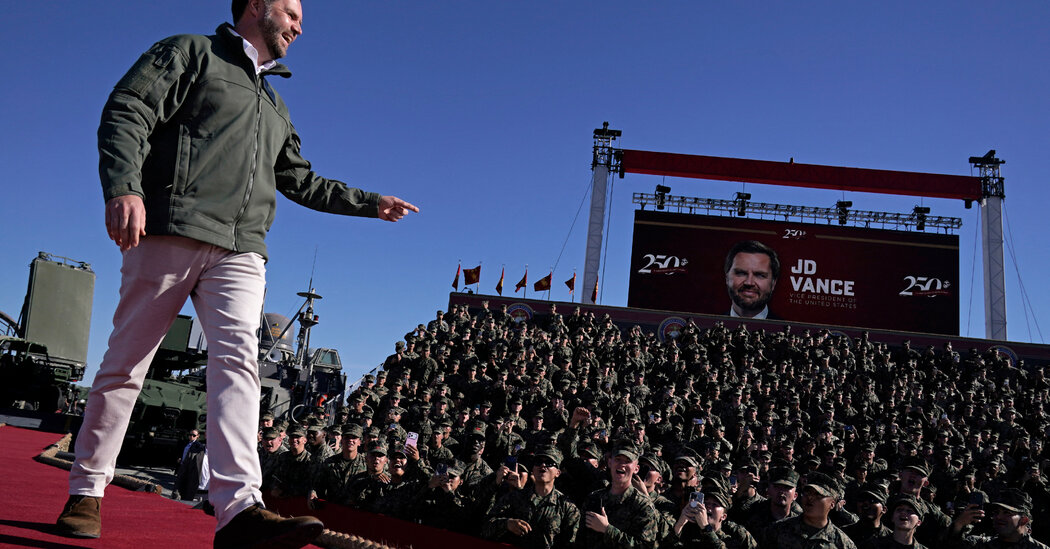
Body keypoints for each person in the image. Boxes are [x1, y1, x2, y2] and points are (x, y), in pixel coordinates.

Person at [55, 0, 418, 546]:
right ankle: (86, 490)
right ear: (256, 7)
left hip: (243, 250)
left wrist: (369, 203)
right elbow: (129, 109)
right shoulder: (190, 53)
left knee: (239, 368)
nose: (300, 25)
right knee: (127, 362)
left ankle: (239, 509)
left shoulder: (276, 106)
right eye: (292, 11)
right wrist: (124, 186)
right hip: (172, 227)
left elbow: (303, 181)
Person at [483, 447, 581, 549]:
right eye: (538, 462)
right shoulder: (514, 497)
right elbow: (486, 528)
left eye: (549, 463)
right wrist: (507, 524)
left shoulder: (567, 508)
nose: (543, 465)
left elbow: (572, 544)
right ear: (533, 470)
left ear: (558, 473)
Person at [579, 443, 661, 549]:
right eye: (618, 459)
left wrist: (607, 530)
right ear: (609, 462)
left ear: (636, 468)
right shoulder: (593, 498)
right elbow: (580, 541)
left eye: (627, 461)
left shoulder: (643, 506)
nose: (622, 464)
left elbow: (646, 546)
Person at [760, 472, 857, 549]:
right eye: (807, 492)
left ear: (832, 504)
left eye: (818, 495)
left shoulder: (843, 544)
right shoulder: (776, 530)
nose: (810, 498)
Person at [948, 488, 1049, 549]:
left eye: (1007, 513)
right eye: (996, 512)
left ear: (1024, 520)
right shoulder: (979, 544)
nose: (998, 517)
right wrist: (958, 524)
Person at [722, 240, 780, 319]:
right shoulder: (706, 328)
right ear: (727, 278)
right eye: (741, 273)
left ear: (773, 283)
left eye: (760, 275)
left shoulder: (791, 331)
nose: (749, 282)